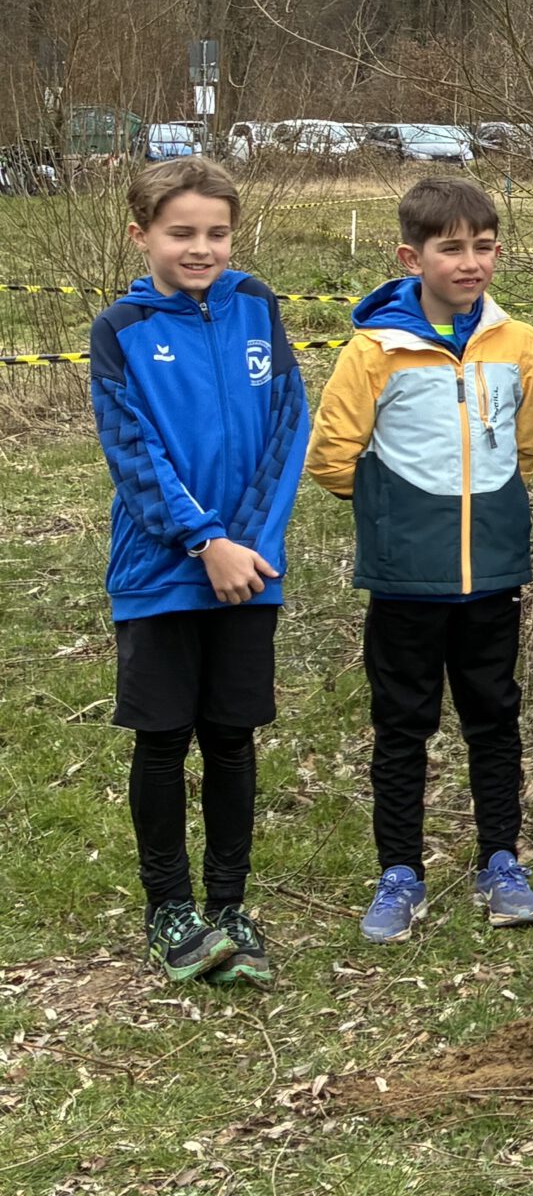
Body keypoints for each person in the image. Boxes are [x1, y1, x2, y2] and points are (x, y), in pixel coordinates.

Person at [311, 175, 533, 941]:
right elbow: (331, 456)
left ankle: (501, 861)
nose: (471, 262)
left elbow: (529, 443)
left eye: (484, 247)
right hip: (406, 581)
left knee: (495, 721)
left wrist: (488, 510)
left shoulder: (516, 342)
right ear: (411, 258)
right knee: (402, 726)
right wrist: (397, 515)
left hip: (492, 577)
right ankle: (400, 872)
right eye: (452, 248)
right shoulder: (372, 351)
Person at [90, 157, 310, 985]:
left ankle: (228, 906)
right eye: (181, 232)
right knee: (163, 740)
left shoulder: (258, 306)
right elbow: (133, 452)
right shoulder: (120, 329)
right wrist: (203, 541)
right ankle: (169, 910)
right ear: (141, 234)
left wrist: (245, 545)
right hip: (161, 572)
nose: (201, 248)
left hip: (250, 569)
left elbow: (288, 422)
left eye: (217, 233)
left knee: (230, 737)